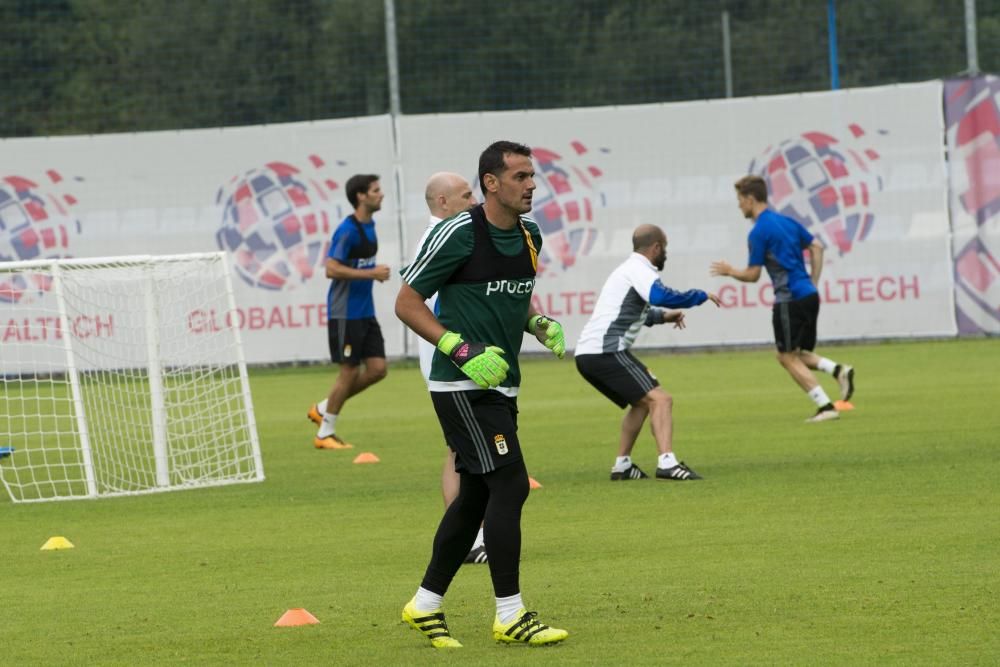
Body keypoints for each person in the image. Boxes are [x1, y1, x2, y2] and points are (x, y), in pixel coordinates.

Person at [395, 140, 568, 648]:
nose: (531, 184)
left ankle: (425, 605)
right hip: (460, 384)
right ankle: (510, 615)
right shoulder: (456, 233)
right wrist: (459, 347)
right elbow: (406, 303)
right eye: (519, 177)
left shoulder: (531, 234)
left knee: (473, 497)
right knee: (511, 484)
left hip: (502, 382)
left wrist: (536, 322)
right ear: (491, 183)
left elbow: (513, 295)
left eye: (533, 176)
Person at [575, 224, 720, 482]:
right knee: (661, 400)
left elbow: (632, 312)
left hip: (591, 353)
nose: (666, 253)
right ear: (656, 248)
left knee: (642, 403)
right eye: (665, 248)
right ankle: (667, 462)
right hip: (605, 351)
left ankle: (622, 465)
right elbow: (659, 295)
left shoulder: (628, 270)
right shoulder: (639, 270)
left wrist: (664, 317)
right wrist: (700, 295)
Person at [710, 175, 855, 423]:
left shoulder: (758, 232)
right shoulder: (787, 222)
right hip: (809, 295)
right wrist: (814, 282)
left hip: (789, 300)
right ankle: (838, 370)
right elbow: (817, 247)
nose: (738, 206)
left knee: (786, 356)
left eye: (739, 200)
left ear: (750, 199)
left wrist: (730, 271)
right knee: (798, 354)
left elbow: (753, 275)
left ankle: (826, 406)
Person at [417, 171, 487, 565]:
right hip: (450, 361)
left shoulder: (458, 233)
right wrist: (452, 347)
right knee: (458, 449)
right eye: (465, 195)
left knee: (469, 447)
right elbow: (414, 304)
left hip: (465, 357)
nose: (474, 201)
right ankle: (466, 536)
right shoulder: (438, 238)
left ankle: (473, 532)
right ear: (443, 202)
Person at [306, 174, 392, 449]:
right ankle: (324, 434)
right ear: (361, 196)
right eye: (376, 190)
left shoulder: (370, 225)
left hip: (365, 312)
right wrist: (370, 273)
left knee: (378, 369)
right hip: (345, 313)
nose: (382, 194)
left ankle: (323, 407)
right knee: (349, 372)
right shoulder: (348, 230)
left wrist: (371, 274)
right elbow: (331, 269)